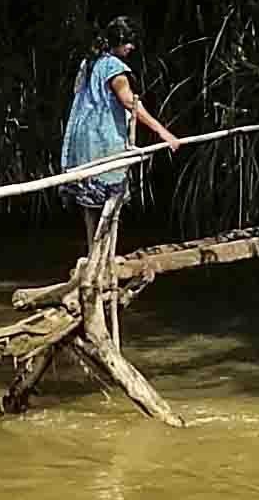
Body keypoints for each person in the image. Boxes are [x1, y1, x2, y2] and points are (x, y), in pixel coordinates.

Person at [60, 15, 182, 294]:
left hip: (83, 136)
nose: (132, 48)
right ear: (119, 42)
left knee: (90, 200)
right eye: (129, 43)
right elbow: (129, 102)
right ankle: (104, 258)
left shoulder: (89, 63)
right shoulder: (114, 68)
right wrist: (164, 132)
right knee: (111, 197)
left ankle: (95, 254)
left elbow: (79, 93)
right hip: (103, 138)